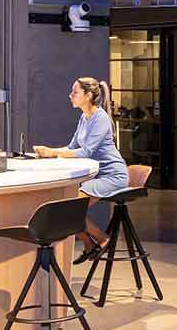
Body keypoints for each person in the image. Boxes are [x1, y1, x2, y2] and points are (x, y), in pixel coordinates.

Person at [34, 76, 130, 258]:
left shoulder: (100, 118)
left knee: (67, 210)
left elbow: (86, 151)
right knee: (65, 210)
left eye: (75, 92)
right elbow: (72, 147)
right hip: (99, 176)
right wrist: (49, 152)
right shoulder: (84, 118)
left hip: (113, 176)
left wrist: (53, 152)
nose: (70, 95)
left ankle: (103, 240)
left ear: (88, 95)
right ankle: (89, 244)